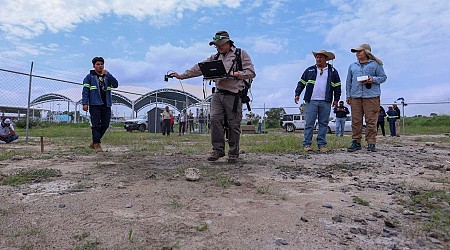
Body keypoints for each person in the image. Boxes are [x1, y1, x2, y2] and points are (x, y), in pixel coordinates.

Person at [171, 30, 256, 163]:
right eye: (216, 45)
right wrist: (182, 75)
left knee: (233, 124)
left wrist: (236, 74)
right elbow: (199, 68)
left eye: (220, 44)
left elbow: (251, 72)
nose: (218, 47)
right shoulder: (215, 57)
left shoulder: (241, 54)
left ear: (228, 43)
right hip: (218, 93)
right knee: (215, 119)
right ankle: (217, 150)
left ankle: (233, 153)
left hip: (234, 95)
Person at [295, 50, 341, 152]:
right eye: (317, 57)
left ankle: (322, 144)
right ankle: (307, 144)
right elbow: (301, 82)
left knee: (323, 123)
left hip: (326, 101)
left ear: (326, 59)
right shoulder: (309, 70)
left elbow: (337, 86)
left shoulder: (333, 71)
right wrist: (297, 94)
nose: (318, 59)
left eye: (320, 57)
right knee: (309, 123)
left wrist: (336, 99)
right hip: (311, 101)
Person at [346, 44, 387, 152]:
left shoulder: (376, 64)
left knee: (371, 120)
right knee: (356, 120)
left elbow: (383, 77)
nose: (357, 53)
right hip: (355, 96)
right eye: (356, 52)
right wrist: (348, 95)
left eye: (360, 51)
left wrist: (372, 79)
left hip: (371, 96)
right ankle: (356, 141)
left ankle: (371, 142)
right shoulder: (352, 66)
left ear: (367, 52)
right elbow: (348, 82)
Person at [82, 57, 119, 152]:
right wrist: (85, 103)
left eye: (101, 64)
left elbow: (115, 84)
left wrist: (109, 75)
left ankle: (94, 142)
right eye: (98, 64)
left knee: (105, 124)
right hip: (95, 104)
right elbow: (85, 91)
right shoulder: (89, 77)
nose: (100, 66)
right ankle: (97, 144)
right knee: (96, 125)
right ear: (94, 66)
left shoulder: (107, 76)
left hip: (106, 104)